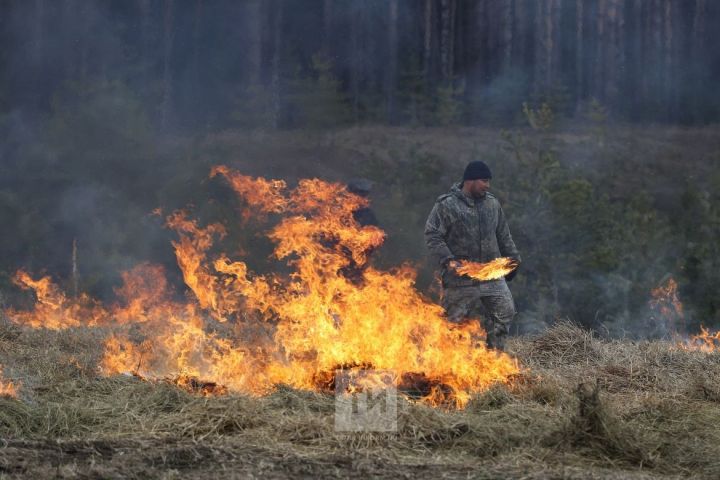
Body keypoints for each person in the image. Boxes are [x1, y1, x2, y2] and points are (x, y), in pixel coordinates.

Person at [424, 161, 521, 351]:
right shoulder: (447, 205)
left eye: (488, 181)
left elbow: (503, 235)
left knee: (505, 312)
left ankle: (494, 358)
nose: (488, 185)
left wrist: (513, 259)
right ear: (470, 181)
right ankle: (448, 366)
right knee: (452, 325)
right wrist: (449, 260)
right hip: (461, 279)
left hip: (492, 275)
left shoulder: (492, 204)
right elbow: (432, 234)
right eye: (484, 181)